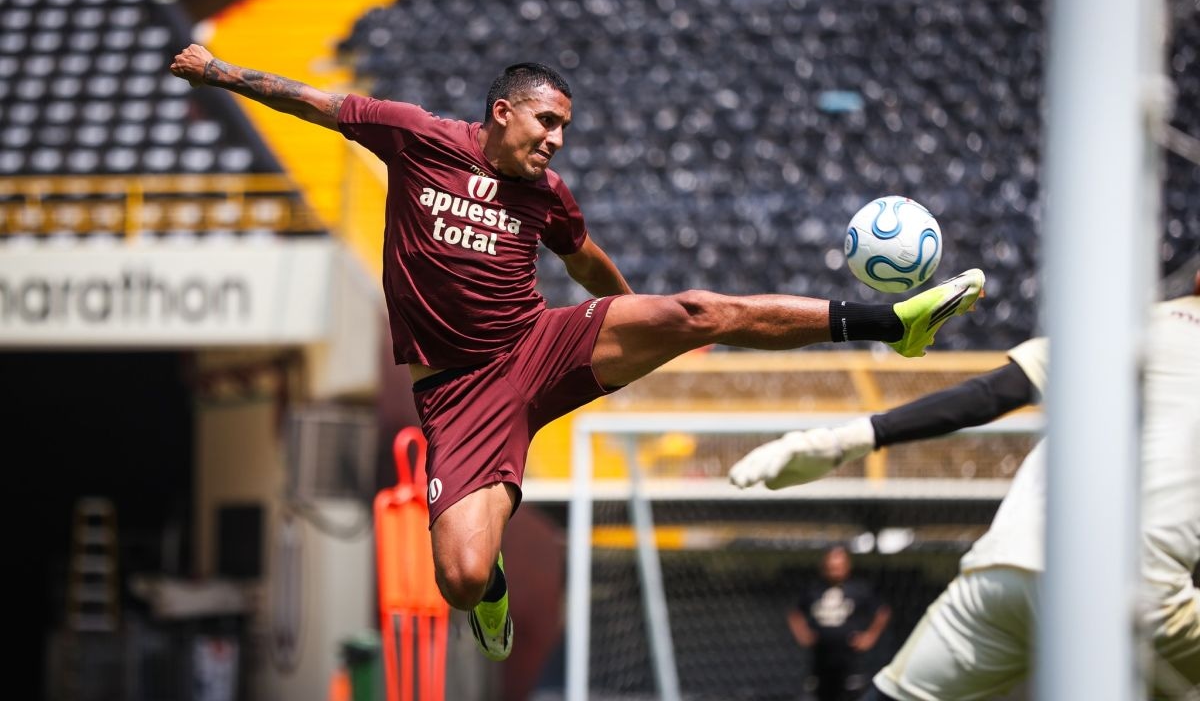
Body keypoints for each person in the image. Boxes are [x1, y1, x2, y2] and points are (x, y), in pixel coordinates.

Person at [169, 43, 985, 662]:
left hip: (539, 343)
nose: (557, 140)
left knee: (702, 309)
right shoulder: (415, 138)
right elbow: (312, 101)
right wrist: (218, 71)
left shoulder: (548, 196)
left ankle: (896, 323)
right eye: (547, 122)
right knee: (456, 576)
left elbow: (584, 259)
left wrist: (641, 315)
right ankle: (489, 592)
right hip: (460, 396)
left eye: (564, 127)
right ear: (501, 112)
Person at [729, 270, 1200, 699]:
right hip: (1138, 595)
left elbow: (992, 394)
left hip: (1008, 570)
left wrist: (842, 441)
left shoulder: (1127, 328)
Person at [792, 544, 892, 701]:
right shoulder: (814, 590)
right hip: (821, 658)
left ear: (847, 566)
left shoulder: (860, 589)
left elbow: (882, 611)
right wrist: (803, 634)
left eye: (838, 566)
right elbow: (796, 613)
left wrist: (869, 636)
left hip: (851, 659)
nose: (834, 570)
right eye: (831, 567)